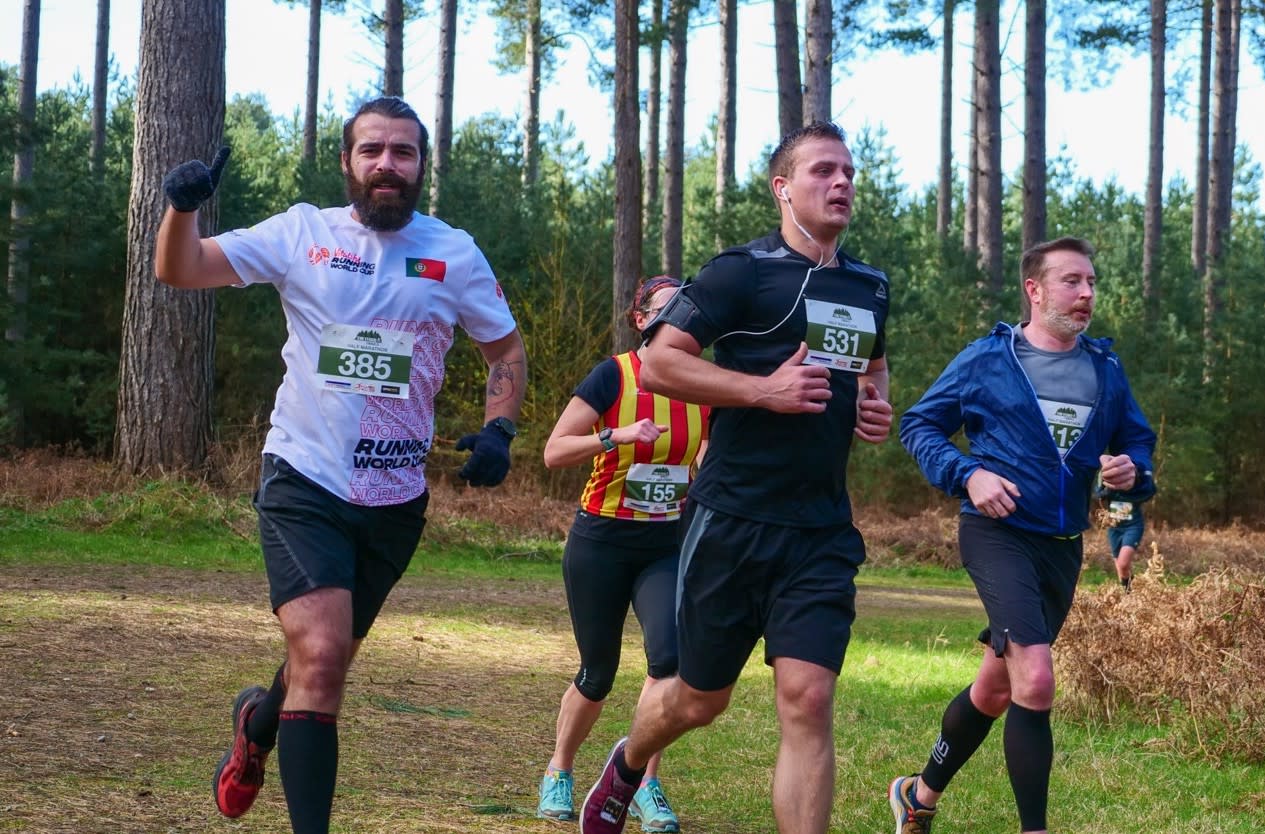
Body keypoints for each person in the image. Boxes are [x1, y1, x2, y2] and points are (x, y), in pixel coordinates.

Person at [155, 97, 527, 834]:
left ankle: (255, 727)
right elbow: (183, 269)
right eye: (372, 151)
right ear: (347, 162)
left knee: (316, 666)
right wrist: (181, 208)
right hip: (305, 477)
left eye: (404, 152)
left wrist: (499, 429)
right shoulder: (303, 233)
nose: (387, 165)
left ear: (422, 166)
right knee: (321, 657)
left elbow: (504, 350)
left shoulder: (453, 252)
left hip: (394, 497)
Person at [576, 121, 893, 834]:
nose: (840, 182)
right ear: (783, 188)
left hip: (820, 529)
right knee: (698, 700)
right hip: (732, 520)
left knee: (807, 699)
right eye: (821, 171)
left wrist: (875, 407)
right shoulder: (740, 272)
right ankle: (628, 763)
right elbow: (660, 360)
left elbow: (872, 371)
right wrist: (759, 391)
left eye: (846, 170)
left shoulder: (869, 285)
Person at [888, 236, 1157, 834]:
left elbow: (1137, 442)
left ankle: (918, 794)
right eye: (1071, 281)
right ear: (1034, 290)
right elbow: (920, 425)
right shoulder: (988, 359)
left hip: (1061, 546)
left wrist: (1132, 469)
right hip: (997, 531)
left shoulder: (1105, 368)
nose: (1086, 293)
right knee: (1034, 677)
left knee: (996, 689)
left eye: (1091, 282)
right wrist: (969, 474)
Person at [534, 275, 704, 831]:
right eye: (665, 308)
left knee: (669, 663)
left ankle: (641, 783)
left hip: (665, 543)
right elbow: (554, 451)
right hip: (601, 540)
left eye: (687, 308)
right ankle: (560, 768)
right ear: (641, 321)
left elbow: (709, 457)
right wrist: (618, 435)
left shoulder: (705, 384)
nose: (679, 316)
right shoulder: (615, 375)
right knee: (598, 671)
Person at [1094, 479, 1148, 591]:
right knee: (1120, 568)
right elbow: (1097, 493)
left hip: (1133, 526)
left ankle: (1131, 593)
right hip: (1114, 527)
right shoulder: (1107, 477)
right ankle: (1129, 596)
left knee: (1123, 563)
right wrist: (1104, 492)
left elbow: (1147, 492)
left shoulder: (1134, 475)